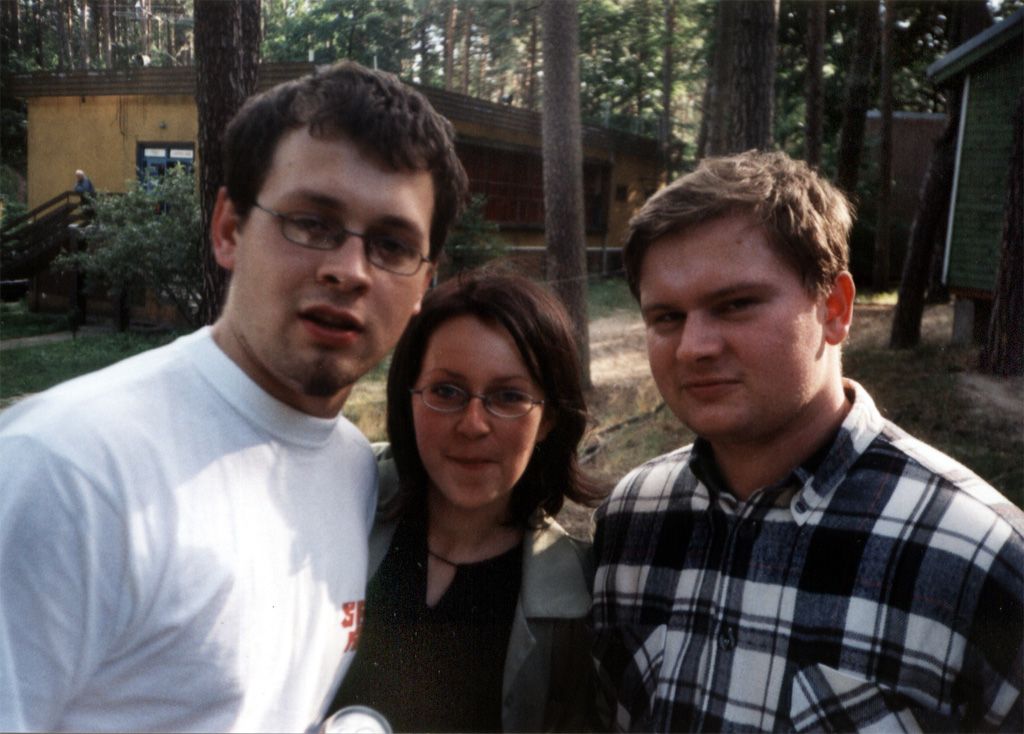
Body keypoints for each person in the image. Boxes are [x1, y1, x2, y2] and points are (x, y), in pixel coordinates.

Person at [0, 61, 468, 732]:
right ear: (228, 229)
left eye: (392, 245)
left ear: (424, 282)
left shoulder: (353, 469)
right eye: (311, 222)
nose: (348, 270)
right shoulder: (67, 472)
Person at [592, 150, 1024, 732]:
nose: (693, 347)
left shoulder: (981, 558)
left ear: (835, 309)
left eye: (735, 305)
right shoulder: (629, 521)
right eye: (667, 317)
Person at [328, 269, 608, 732]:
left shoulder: (575, 603)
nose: (473, 424)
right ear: (409, 396)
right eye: (446, 391)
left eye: (509, 396)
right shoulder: (341, 498)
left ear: (548, 420)